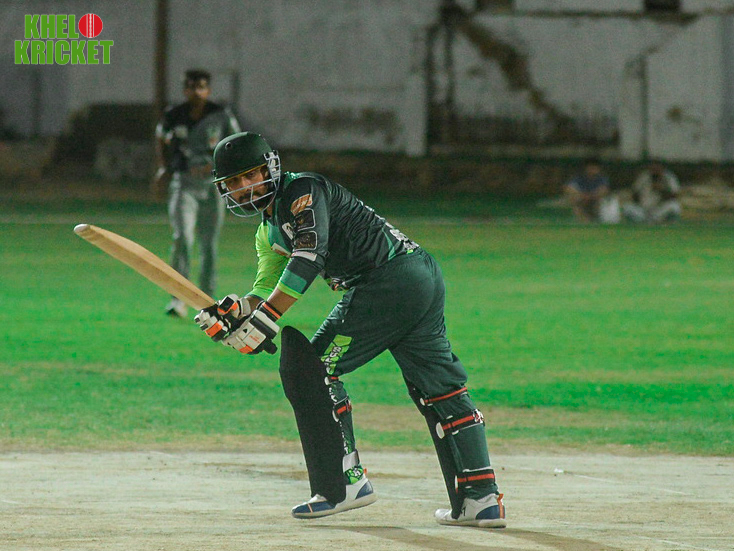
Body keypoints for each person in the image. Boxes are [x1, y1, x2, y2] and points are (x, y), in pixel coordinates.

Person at [193, 132, 507, 528]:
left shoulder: (303, 190)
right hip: (416, 276)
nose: (245, 187)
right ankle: (481, 499)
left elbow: (309, 255)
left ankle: (344, 483)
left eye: (250, 175)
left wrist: (267, 317)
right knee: (440, 388)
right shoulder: (266, 231)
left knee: (312, 371)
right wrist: (237, 312)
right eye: (235, 182)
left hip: (385, 280)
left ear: (270, 167)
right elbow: (266, 287)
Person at [153, 69, 241, 317]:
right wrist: (163, 167)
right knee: (182, 238)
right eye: (191, 87)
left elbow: (235, 143)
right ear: (185, 90)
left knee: (209, 244)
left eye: (201, 87)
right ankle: (178, 298)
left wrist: (225, 170)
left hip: (213, 185)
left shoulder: (220, 115)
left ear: (208, 90)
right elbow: (160, 138)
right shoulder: (174, 114)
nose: (196, 92)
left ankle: (207, 300)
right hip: (184, 183)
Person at [564, 159, 611, 223]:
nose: (592, 170)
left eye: (594, 168)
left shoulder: (601, 179)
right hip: (581, 200)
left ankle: (598, 220)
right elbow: (570, 188)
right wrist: (582, 196)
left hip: (595, 200)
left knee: (601, 202)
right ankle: (584, 221)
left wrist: (591, 196)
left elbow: (603, 190)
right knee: (573, 200)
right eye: (590, 168)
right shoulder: (579, 178)